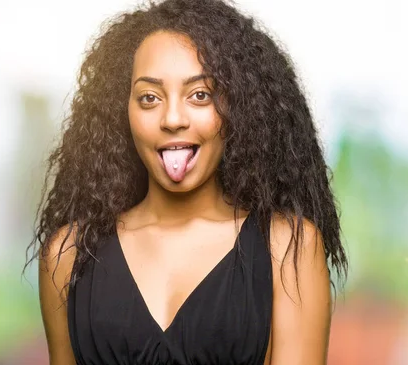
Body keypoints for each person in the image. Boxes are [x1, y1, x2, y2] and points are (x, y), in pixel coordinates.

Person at [26, 0, 347, 364]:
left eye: (200, 95)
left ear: (237, 107)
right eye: (149, 98)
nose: (173, 118)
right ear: (123, 110)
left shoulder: (287, 248)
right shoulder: (69, 255)